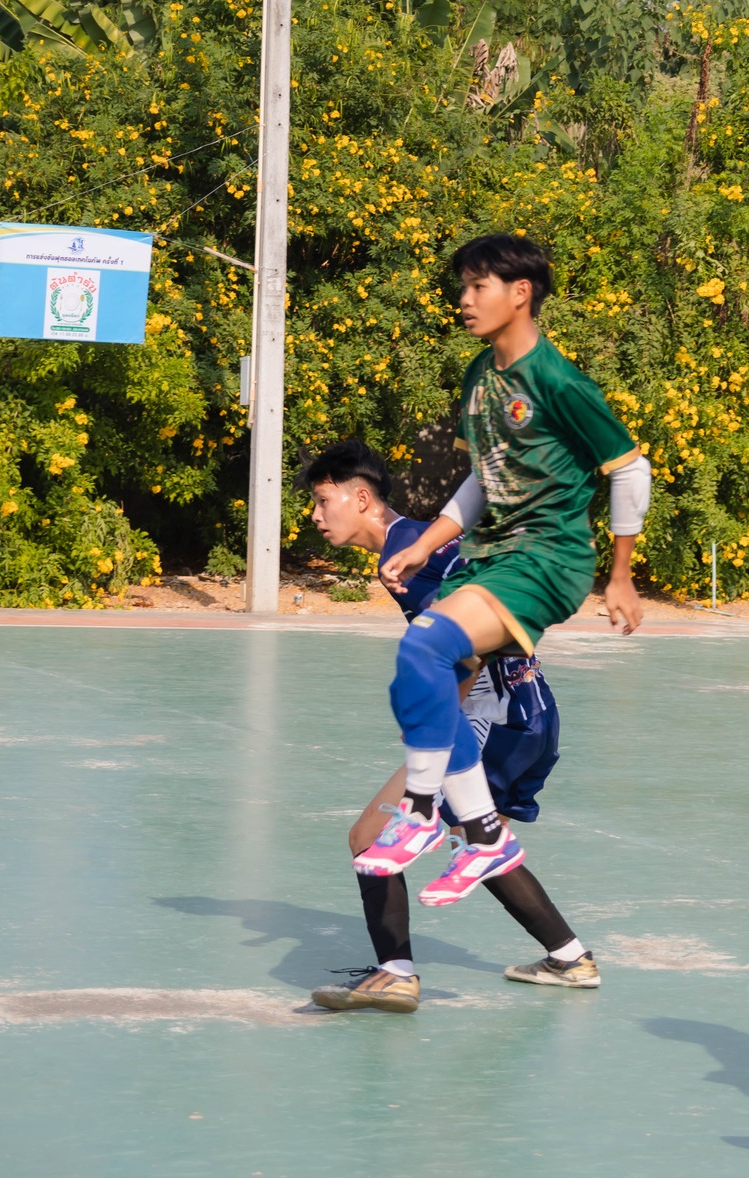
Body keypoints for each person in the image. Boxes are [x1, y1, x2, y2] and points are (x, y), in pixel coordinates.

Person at [361, 233, 651, 908]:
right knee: (425, 688)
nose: (464, 300)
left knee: (425, 643)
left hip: (548, 555)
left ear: (520, 293)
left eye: (478, 286)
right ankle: (485, 837)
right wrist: (428, 540)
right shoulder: (478, 376)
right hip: (494, 554)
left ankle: (425, 810)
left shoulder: (557, 380)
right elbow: (482, 478)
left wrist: (621, 574)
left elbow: (629, 468)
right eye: (462, 286)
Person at [295, 439, 600, 1014]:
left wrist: (436, 722)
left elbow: (471, 648)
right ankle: (570, 957)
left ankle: (395, 973)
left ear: (361, 499)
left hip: (492, 715)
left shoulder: (411, 552)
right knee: (477, 843)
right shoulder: (412, 548)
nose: (315, 515)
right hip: (528, 711)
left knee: (369, 837)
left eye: (323, 499)